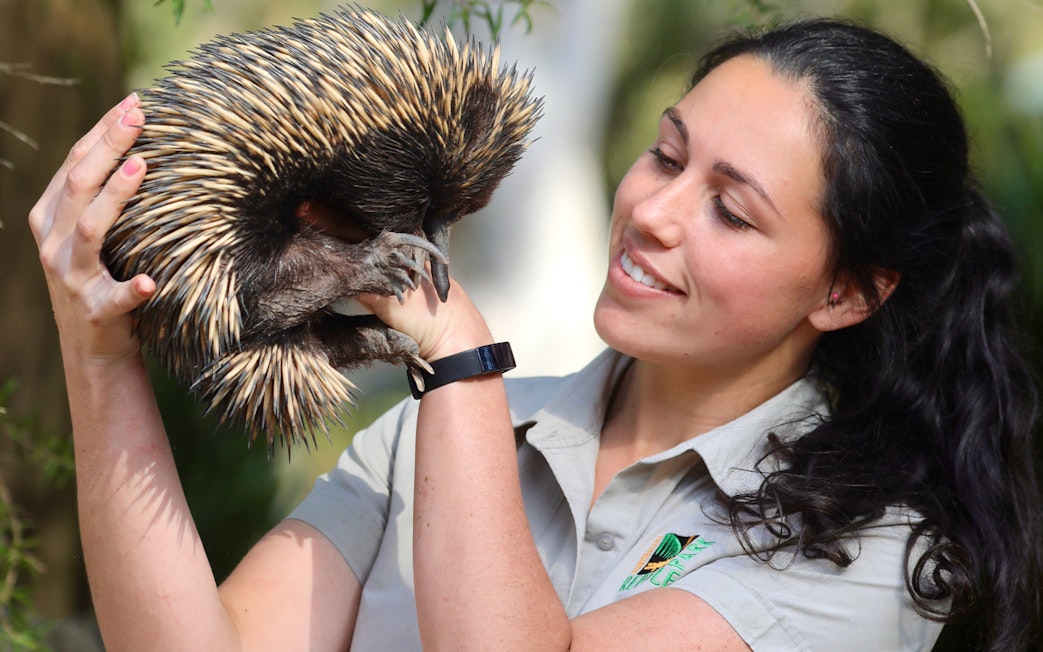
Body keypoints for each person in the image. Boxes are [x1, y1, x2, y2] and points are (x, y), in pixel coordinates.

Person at [29, 16, 1042, 652]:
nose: (649, 210)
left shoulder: (865, 553)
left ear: (845, 294)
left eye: (730, 210)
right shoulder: (445, 432)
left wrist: (458, 357)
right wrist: (98, 344)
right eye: (663, 154)